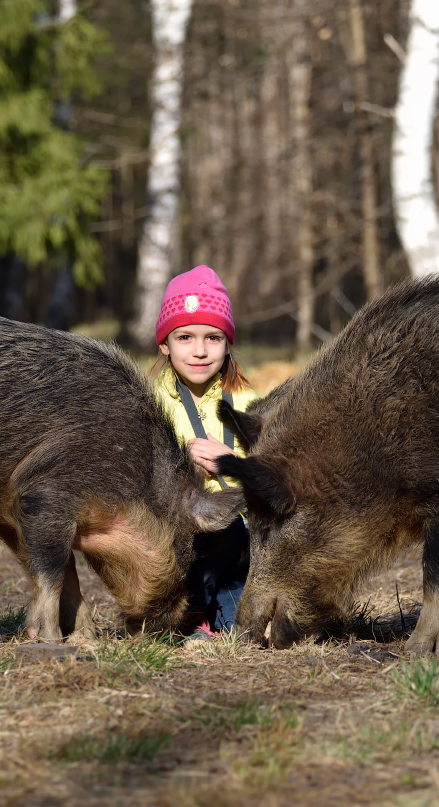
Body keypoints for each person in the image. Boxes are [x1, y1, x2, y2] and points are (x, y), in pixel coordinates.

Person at [151, 265, 259, 640]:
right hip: (182, 538)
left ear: (228, 343)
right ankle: (188, 612)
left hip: (246, 544)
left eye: (213, 337)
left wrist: (229, 465)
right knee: (218, 525)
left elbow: (273, 478)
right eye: (185, 337)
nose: (199, 351)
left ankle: (218, 615)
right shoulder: (149, 406)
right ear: (164, 344)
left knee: (247, 633)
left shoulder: (250, 404)